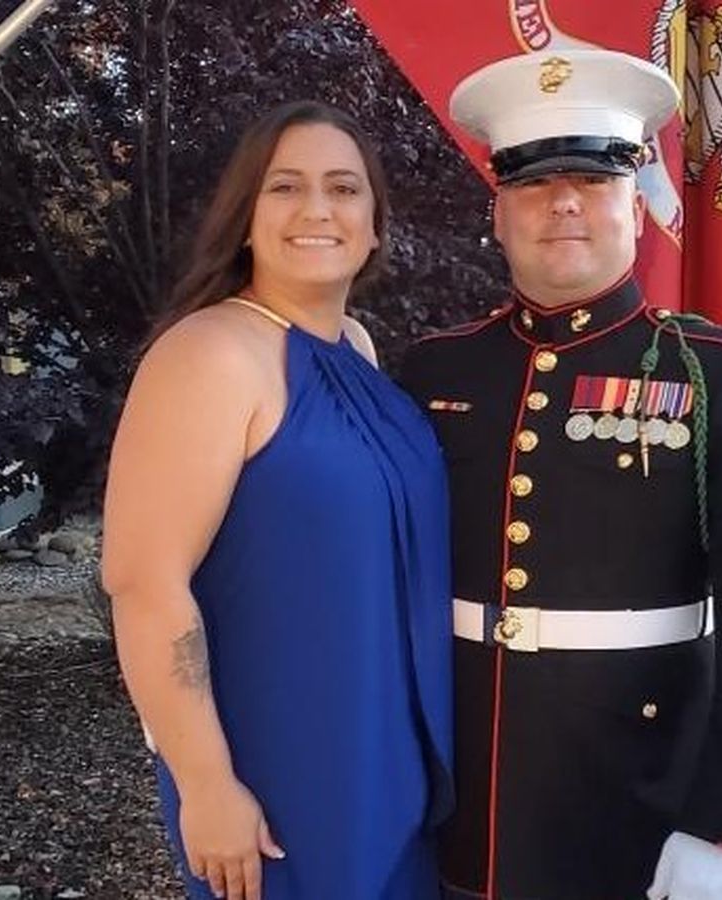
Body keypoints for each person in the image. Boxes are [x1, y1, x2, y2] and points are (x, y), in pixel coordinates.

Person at [399, 50, 722, 900]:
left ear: (636, 202)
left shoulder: (719, 372)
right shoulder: (434, 371)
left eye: (593, 178)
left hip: (642, 799)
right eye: (532, 181)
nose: (563, 202)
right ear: (498, 212)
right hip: (457, 794)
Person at [101, 100, 453, 900]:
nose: (318, 210)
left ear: (375, 225)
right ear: (245, 218)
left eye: (344, 188)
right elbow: (145, 583)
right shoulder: (209, 353)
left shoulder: (355, 347)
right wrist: (206, 785)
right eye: (285, 187)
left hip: (387, 754)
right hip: (280, 769)